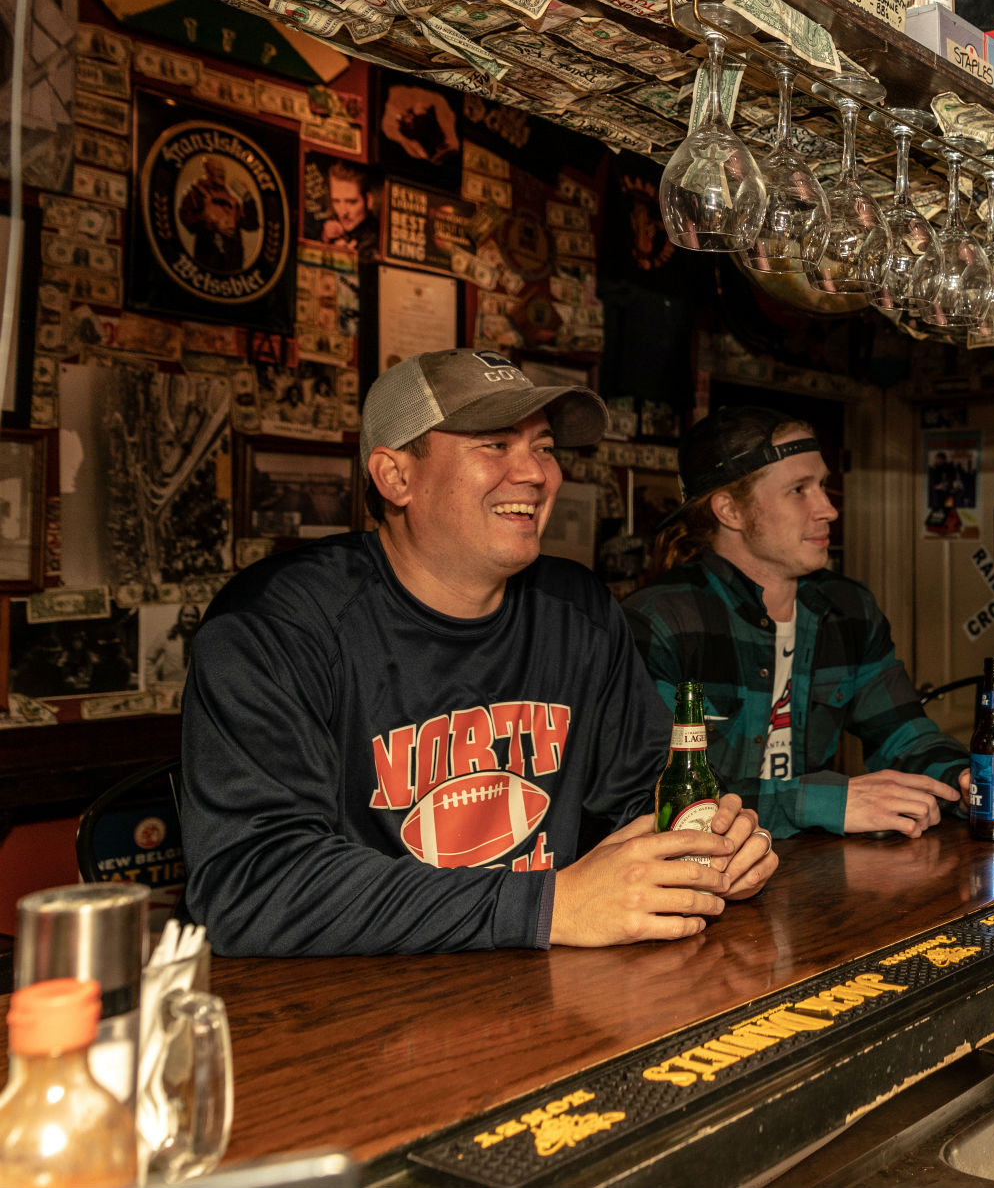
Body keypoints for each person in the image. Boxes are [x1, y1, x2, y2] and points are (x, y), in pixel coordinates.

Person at [181, 350, 779, 956]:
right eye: (494, 444)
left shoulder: (577, 610)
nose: (537, 474)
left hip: (549, 995)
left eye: (543, 447)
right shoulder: (278, 625)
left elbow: (642, 790)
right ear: (396, 477)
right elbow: (250, 883)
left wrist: (708, 840)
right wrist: (550, 906)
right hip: (353, 1009)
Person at [624, 407, 994, 841]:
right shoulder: (658, 621)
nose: (828, 509)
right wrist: (826, 800)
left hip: (808, 881)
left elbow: (906, 737)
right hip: (695, 886)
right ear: (730, 510)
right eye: (798, 490)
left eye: (822, 486)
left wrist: (972, 781)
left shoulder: (847, 609)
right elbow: (648, 796)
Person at [177, 156, 258, 274]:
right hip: (208, 259)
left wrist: (248, 199)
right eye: (217, 170)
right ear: (207, 172)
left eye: (222, 171)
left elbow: (251, 225)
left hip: (233, 262)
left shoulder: (231, 198)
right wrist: (211, 223)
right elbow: (188, 221)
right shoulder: (195, 194)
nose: (222, 174)